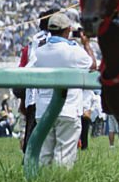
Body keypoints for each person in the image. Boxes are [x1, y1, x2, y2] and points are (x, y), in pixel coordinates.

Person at [32, 12, 97, 168]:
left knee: (44, 153)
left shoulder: (39, 51)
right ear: (68, 30)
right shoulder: (73, 51)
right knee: (64, 155)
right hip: (68, 108)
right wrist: (86, 44)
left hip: (43, 109)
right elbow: (92, 66)